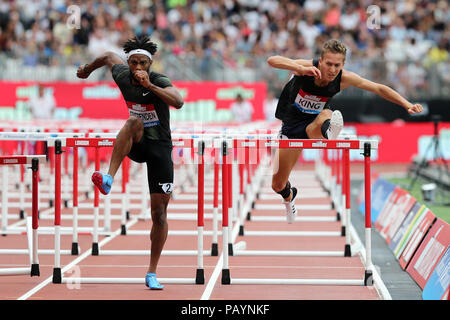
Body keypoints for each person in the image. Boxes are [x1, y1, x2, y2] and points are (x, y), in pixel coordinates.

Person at [267, 39, 423, 223]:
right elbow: (272, 60)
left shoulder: (344, 78)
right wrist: (299, 68)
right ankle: (289, 196)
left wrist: (407, 104)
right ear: (321, 60)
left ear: (343, 64)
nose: (332, 70)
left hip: (314, 124)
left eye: (337, 65)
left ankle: (329, 131)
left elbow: (378, 88)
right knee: (277, 185)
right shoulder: (307, 66)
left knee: (326, 114)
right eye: (329, 64)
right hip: (291, 126)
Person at [76, 35, 184, 290]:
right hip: (137, 142)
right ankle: (109, 178)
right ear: (129, 62)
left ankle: (152, 272)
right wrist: (87, 70)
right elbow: (106, 56)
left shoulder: (158, 80)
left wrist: (151, 86)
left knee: (159, 214)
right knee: (133, 122)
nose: (137, 68)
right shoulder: (123, 75)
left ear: (149, 64)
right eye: (133, 63)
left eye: (142, 64)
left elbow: (178, 101)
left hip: (160, 148)